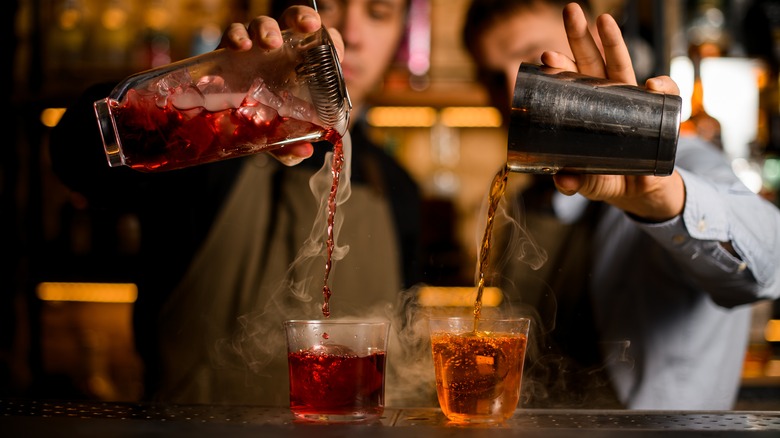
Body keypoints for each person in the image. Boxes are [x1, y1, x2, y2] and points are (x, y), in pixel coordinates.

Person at [49, 0, 420, 406]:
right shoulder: (208, 142)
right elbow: (77, 159)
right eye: (329, 5)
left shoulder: (399, 189)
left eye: (379, 12)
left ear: (401, 33)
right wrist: (210, 86)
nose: (352, 32)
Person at [461, 0, 780, 409]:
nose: (510, 93)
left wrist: (666, 201)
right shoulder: (526, 203)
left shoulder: (681, 163)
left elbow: (769, 264)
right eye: (491, 76)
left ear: (590, 43)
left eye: (529, 61)